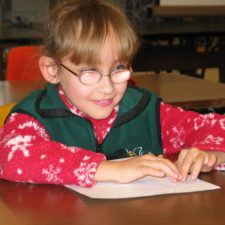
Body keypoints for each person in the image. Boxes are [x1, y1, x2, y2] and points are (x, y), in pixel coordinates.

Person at [1, 0, 225, 188]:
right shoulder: (35, 116)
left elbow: (217, 128)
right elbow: (11, 157)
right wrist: (107, 169)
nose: (107, 88)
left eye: (118, 68)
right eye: (90, 71)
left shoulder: (147, 111)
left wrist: (210, 154)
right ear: (52, 70)